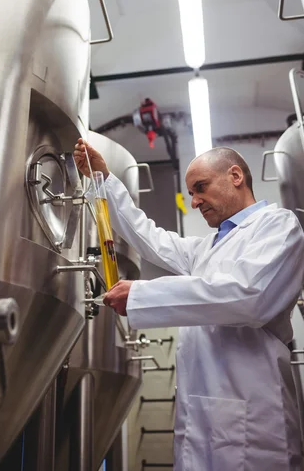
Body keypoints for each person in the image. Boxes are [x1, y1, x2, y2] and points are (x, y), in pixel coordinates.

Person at [74, 138, 304, 471]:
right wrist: (104, 180)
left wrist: (140, 296)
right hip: (203, 411)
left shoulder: (278, 226)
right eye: (191, 193)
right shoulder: (207, 248)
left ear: (235, 176)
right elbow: (148, 237)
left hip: (254, 413)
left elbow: (249, 296)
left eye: (200, 188)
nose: (193, 201)